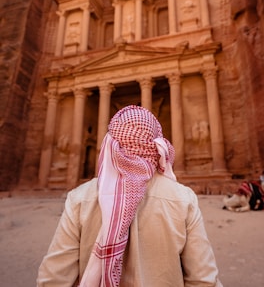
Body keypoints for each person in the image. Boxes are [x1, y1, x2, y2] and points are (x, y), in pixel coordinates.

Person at [36, 105, 223, 287]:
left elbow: (54, 279)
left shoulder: (79, 198)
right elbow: (203, 280)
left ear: (111, 143)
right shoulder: (183, 199)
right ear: (155, 142)